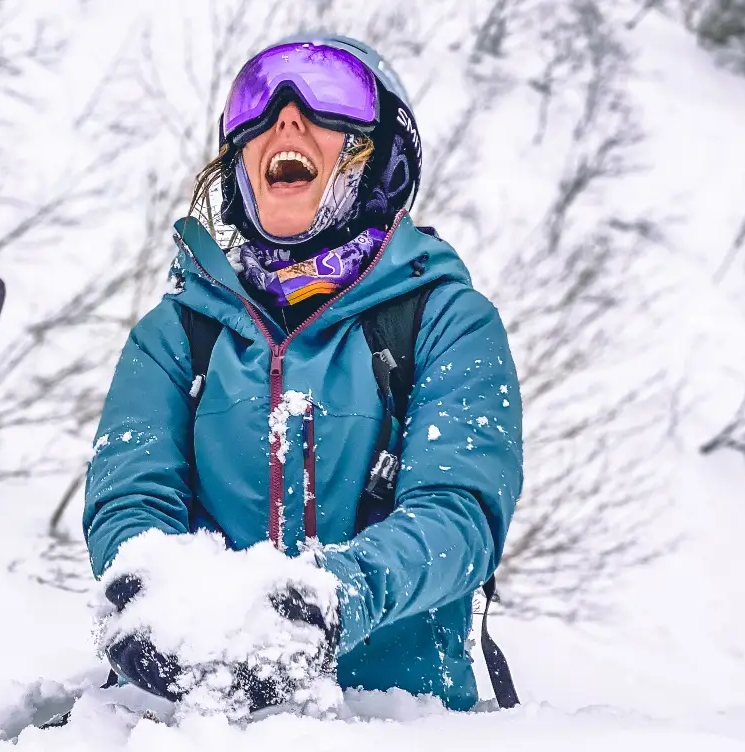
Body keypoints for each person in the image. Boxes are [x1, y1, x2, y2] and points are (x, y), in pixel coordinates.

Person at [81, 34, 525, 713]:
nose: (285, 118)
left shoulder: (446, 321)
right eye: (256, 101)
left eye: (332, 98)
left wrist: (331, 599)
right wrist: (146, 589)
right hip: (184, 736)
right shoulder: (175, 334)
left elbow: (459, 514)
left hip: (398, 731)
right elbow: (131, 496)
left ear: (382, 155)